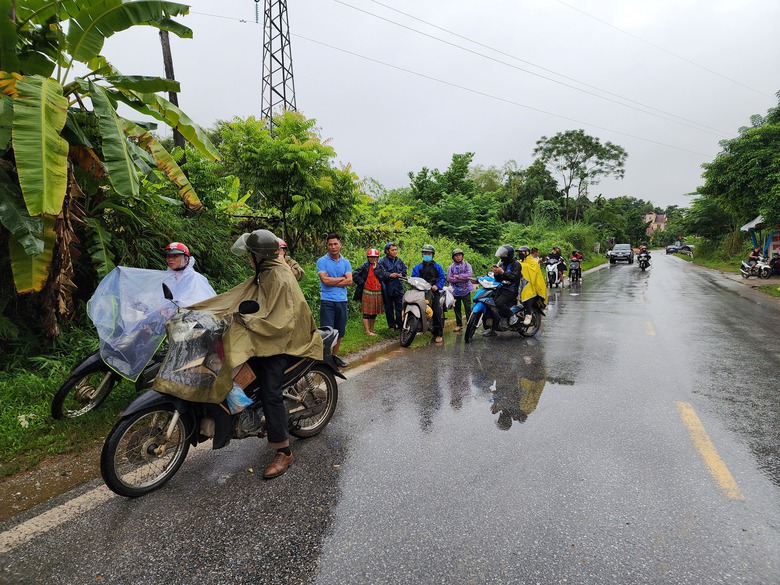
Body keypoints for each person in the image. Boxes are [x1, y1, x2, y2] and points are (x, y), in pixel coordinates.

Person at [189, 229, 323, 479]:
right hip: (269, 337)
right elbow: (242, 297)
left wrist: (244, 320)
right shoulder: (265, 272)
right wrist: (210, 313)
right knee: (232, 369)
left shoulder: (280, 276)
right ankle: (246, 415)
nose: (248, 258)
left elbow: (280, 319)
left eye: (250, 254)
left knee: (271, 391)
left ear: (259, 256)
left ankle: (283, 450)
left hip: (286, 341)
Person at [316, 233, 352, 366]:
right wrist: (342, 278)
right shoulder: (322, 261)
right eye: (330, 244)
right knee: (327, 332)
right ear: (327, 246)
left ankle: (334, 356)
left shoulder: (346, 262)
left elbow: (350, 281)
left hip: (342, 300)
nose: (333, 247)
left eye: (335, 244)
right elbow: (325, 281)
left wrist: (332, 280)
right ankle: (325, 359)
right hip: (327, 301)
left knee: (340, 331)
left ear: (340, 245)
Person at [484, 245, 523, 336]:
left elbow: (514, 277)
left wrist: (502, 272)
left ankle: (512, 317)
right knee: (490, 304)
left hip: (512, 290)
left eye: (504, 254)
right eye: (502, 254)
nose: (502, 256)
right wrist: (496, 273)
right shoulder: (502, 264)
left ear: (509, 254)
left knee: (499, 303)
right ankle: (493, 329)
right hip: (502, 288)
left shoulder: (516, 264)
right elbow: (499, 279)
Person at [162, 242, 217, 307]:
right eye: (168, 256)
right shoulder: (166, 278)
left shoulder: (195, 278)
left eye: (175, 256)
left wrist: (174, 309)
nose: (170, 259)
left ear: (185, 258)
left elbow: (199, 302)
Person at [411, 244, 445, 344]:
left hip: (433, 292)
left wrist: (437, 286)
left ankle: (438, 334)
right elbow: (413, 278)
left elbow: (442, 278)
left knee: (437, 311)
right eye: (425, 253)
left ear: (432, 255)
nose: (427, 255)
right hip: (420, 291)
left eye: (429, 253)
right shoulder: (417, 267)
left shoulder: (438, 267)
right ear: (422, 254)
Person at [376, 242, 407, 331]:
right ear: (387, 251)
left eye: (396, 250)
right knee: (389, 307)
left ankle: (400, 325)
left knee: (400, 307)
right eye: (392, 250)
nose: (395, 252)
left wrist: (401, 274)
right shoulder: (382, 261)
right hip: (387, 287)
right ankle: (391, 326)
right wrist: (389, 275)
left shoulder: (399, 261)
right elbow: (379, 273)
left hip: (398, 287)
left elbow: (404, 270)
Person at [352, 248, 383, 336]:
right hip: (367, 291)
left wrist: (376, 269)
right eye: (371, 257)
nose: (373, 259)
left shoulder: (380, 266)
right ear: (368, 257)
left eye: (375, 257)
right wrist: (363, 283)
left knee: (374, 312)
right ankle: (367, 331)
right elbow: (355, 274)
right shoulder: (364, 266)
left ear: (377, 258)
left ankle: (372, 329)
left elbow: (383, 275)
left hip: (377, 292)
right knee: (366, 312)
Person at [518, 246, 548, 325]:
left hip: (531, 283)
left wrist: (520, 266)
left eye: (522, 252)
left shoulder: (532, 262)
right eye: (519, 252)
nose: (520, 253)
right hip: (521, 282)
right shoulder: (520, 261)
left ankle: (528, 314)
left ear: (527, 253)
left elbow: (531, 271)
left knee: (527, 294)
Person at [447, 248, 474, 332]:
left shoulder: (467, 265)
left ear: (462, 256)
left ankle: (470, 323)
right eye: (456, 256)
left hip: (466, 290)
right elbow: (449, 278)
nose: (458, 257)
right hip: (455, 291)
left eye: (459, 255)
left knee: (468, 308)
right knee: (457, 308)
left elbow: (469, 275)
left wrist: (458, 276)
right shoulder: (451, 267)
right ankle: (459, 325)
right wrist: (461, 279)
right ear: (453, 257)